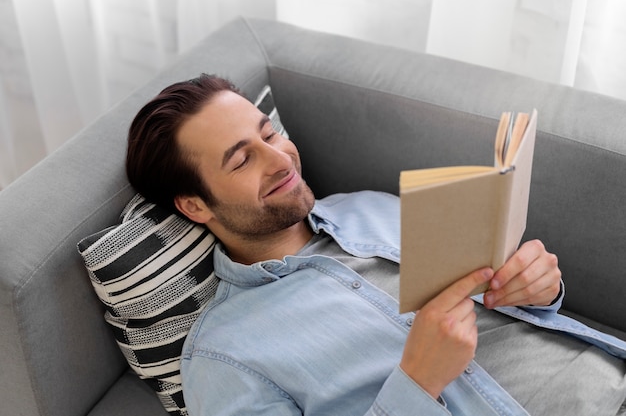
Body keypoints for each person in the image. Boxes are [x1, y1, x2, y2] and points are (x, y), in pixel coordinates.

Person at [126, 74, 626, 415]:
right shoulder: (223, 356)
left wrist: (539, 289)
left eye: (269, 134)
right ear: (194, 206)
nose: (279, 160)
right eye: (241, 161)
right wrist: (417, 382)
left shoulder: (373, 207)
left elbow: (511, 304)